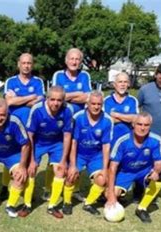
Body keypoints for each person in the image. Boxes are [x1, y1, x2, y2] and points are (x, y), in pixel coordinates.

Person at [23, 86, 73, 218]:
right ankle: (27, 204)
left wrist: (63, 160)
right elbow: (30, 135)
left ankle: (52, 206)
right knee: (31, 170)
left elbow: (67, 136)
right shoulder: (37, 110)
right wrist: (32, 159)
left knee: (61, 171)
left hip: (56, 143)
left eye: (59, 100)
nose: (56, 103)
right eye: (52, 99)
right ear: (46, 98)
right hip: (38, 142)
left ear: (63, 100)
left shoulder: (67, 111)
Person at [106, 112, 161, 223]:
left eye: (146, 125)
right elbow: (113, 167)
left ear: (150, 126)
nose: (142, 128)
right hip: (126, 172)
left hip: (144, 171)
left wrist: (157, 171)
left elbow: (159, 162)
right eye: (139, 124)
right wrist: (110, 195)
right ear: (133, 124)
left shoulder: (156, 139)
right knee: (110, 193)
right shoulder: (122, 141)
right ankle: (113, 196)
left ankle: (141, 208)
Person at [2, 53, 44, 201]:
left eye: (29, 63)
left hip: (32, 126)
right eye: (24, 63)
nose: (26, 66)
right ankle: (4, 186)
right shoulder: (11, 82)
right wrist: (30, 97)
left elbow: (39, 102)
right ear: (18, 64)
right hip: (13, 126)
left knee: (28, 159)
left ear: (32, 65)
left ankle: (27, 191)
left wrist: (18, 99)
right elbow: (9, 102)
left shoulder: (38, 82)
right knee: (10, 155)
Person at [51, 48, 92, 201]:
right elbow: (56, 97)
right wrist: (76, 95)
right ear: (66, 60)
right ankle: (50, 188)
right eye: (71, 59)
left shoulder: (85, 76)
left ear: (80, 62)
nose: (74, 62)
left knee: (76, 154)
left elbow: (88, 97)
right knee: (59, 154)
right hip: (61, 120)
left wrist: (68, 96)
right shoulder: (58, 76)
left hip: (81, 122)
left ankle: (74, 188)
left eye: (77, 59)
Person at [65, 91, 113, 216]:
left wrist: (104, 168)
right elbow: (73, 143)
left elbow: (106, 146)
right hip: (79, 154)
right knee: (71, 175)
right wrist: (73, 165)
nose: (96, 107)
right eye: (93, 104)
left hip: (96, 156)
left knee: (103, 179)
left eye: (99, 104)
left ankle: (89, 204)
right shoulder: (78, 117)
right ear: (87, 103)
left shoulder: (107, 120)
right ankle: (67, 202)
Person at [104, 72, 139, 145]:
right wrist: (127, 118)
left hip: (127, 141)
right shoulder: (107, 100)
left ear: (128, 84)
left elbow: (135, 119)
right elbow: (107, 121)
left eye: (125, 82)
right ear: (114, 84)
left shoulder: (133, 100)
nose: (123, 85)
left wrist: (116, 114)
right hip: (111, 141)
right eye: (120, 82)